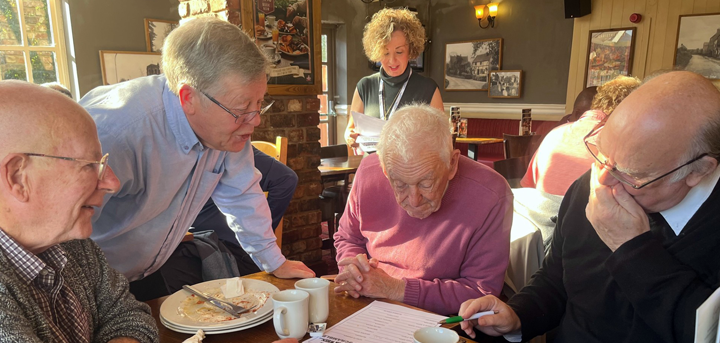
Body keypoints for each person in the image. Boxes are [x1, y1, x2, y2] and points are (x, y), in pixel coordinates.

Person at [458, 71, 720, 343]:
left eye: (631, 173)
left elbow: (706, 331)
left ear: (698, 171)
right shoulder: (589, 184)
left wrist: (632, 249)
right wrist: (517, 316)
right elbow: (556, 280)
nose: (603, 179)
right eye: (601, 153)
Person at [79, 17, 314, 301]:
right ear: (188, 97)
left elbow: (242, 194)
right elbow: (64, 236)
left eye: (260, 103)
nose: (256, 120)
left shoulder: (227, 128)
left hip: (146, 270)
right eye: (242, 108)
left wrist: (275, 262)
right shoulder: (114, 133)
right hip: (85, 284)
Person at [0, 80, 158, 342]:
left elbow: (129, 316)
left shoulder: (74, 246)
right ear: (18, 177)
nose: (113, 183)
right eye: (89, 165)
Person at [334, 104, 512, 315]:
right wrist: (354, 270)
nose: (414, 200)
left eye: (426, 184)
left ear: (452, 164)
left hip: (439, 320)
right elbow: (348, 238)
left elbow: (481, 292)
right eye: (399, 184)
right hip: (367, 303)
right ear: (384, 168)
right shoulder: (368, 172)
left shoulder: (491, 193)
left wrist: (395, 289)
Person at [521, 75, 641, 196]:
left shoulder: (554, 134)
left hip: (543, 212)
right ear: (630, 109)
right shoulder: (622, 143)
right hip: (587, 213)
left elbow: (529, 188)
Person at [345, 8, 444, 153]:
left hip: (410, 172)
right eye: (385, 52)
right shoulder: (365, 86)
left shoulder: (429, 89)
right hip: (372, 168)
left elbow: (442, 139)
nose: (392, 60)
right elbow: (350, 129)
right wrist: (350, 137)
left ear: (411, 50)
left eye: (399, 52)